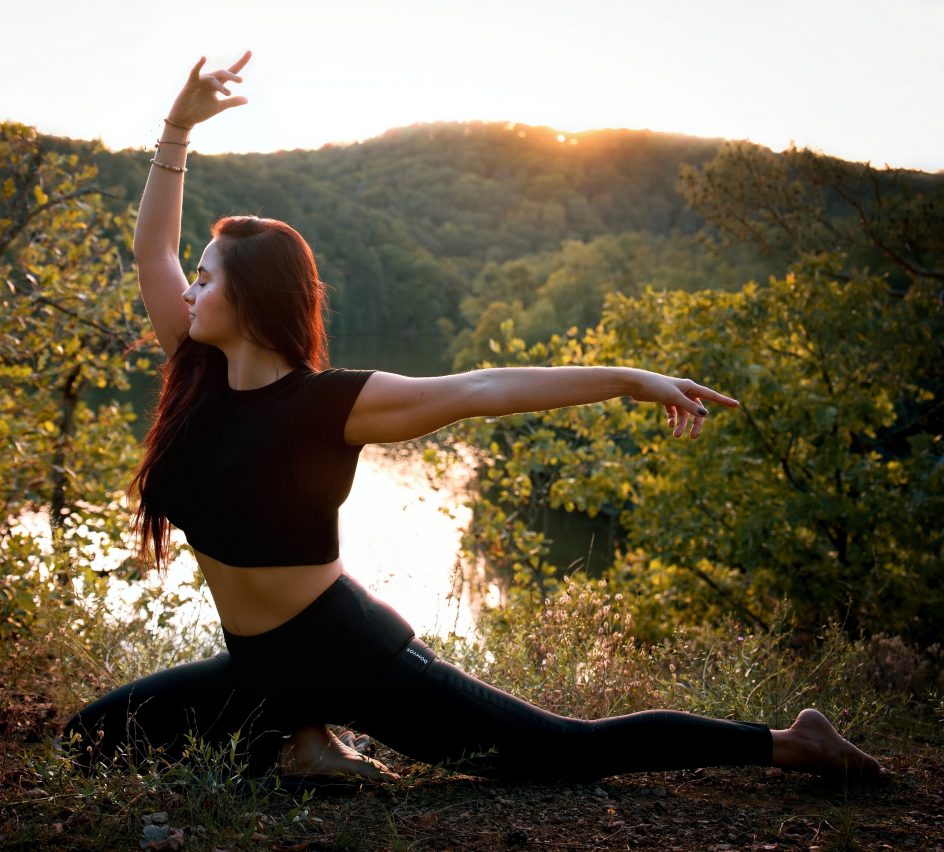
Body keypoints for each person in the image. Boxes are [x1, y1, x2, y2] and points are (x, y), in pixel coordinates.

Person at [62, 51, 883, 786]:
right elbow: (153, 252)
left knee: (561, 753)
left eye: (207, 280)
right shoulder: (198, 374)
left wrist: (631, 378)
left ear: (251, 298)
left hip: (346, 656)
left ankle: (789, 741)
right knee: (89, 740)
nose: (189, 290)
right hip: (260, 666)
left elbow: (485, 387)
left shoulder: (330, 404)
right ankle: (301, 741)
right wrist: (177, 126)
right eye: (196, 279)